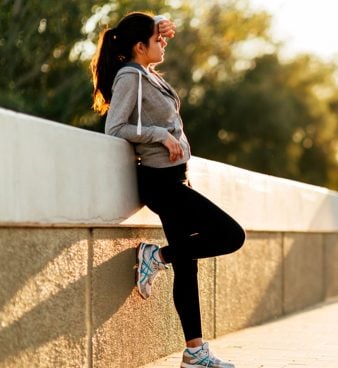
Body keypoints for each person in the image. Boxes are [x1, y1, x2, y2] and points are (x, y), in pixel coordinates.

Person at [90, 12, 245, 368]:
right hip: (160, 182)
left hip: (175, 179)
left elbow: (152, 38)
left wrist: (157, 22)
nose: (164, 42)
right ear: (139, 46)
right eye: (156, 40)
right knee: (231, 235)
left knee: (187, 265)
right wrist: (158, 135)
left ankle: (194, 352)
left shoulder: (146, 72)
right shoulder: (131, 75)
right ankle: (155, 257)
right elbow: (115, 128)